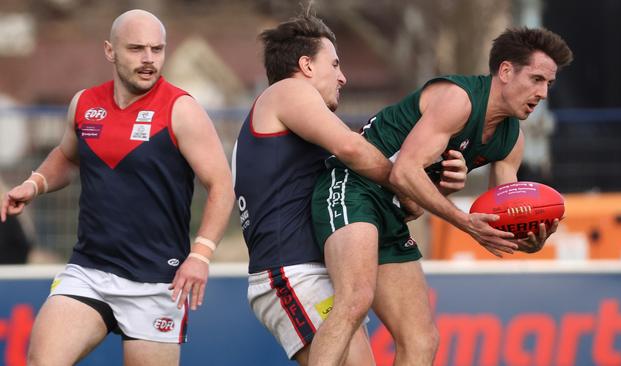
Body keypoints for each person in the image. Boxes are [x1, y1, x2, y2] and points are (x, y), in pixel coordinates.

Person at [309, 27, 573, 365]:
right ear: (506, 71)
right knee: (355, 299)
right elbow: (404, 171)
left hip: (392, 211)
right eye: (536, 79)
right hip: (353, 188)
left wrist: (526, 238)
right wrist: (466, 222)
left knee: (422, 339)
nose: (544, 93)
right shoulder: (458, 99)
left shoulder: (512, 141)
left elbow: (506, 210)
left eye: (548, 84)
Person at [232, 12, 468, 365]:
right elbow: (355, 150)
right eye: (335, 64)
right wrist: (407, 178)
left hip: (313, 270)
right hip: (293, 270)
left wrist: (431, 183)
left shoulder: (300, 122)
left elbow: (377, 193)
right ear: (306, 65)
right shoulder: (287, 91)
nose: (343, 76)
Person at [0, 9, 234, 366]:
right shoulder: (85, 104)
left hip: (157, 282)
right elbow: (68, 155)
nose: (148, 60)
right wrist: (34, 184)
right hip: (89, 271)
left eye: (157, 49)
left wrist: (200, 256)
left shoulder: (181, 109)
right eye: (137, 49)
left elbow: (221, 184)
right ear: (110, 51)